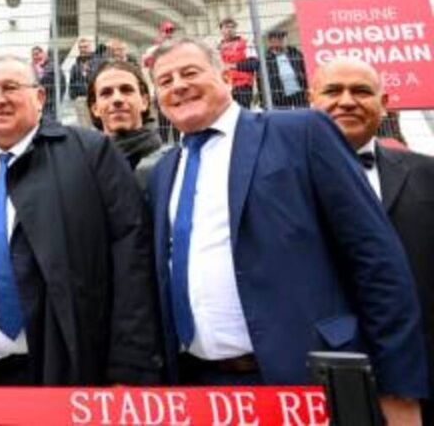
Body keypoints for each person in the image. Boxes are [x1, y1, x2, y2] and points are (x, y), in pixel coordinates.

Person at [146, 39, 426, 423]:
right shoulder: (163, 172)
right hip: (202, 386)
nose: (177, 85)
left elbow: (376, 257)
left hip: (306, 379)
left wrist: (398, 386)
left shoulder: (302, 132)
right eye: (165, 81)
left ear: (227, 77)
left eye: (190, 72)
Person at [0, 55, 160, 386]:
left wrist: (130, 365)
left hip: (56, 374)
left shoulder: (90, 153)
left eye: (10, 88)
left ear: (40, 97)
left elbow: (131, 255)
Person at [309, 58, 434, 424]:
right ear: (311, 100)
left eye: (361, 91)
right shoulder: (281, 183)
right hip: (323, 377)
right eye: (332, 91)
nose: (347, 101)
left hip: (422, 370)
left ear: (385, 101)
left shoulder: (427, 173)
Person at [87, 59, 168, 189]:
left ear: (144, 101)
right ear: (95, 108)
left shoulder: (170, 167)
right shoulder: (83, 169)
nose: (117, 99)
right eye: (106, 93)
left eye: (126, 90)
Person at [216, 17, 258, 109]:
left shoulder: (246, 43)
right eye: (226, 27)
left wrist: (233, 66)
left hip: (243, 86)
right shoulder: (217, 49)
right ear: (221, 30)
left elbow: (254, 64)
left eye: (232, 27)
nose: (230, 30)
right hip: (225, 86)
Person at [262, 28, 308, 109]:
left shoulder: (295, 53)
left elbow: (305, 70)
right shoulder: (266, 59)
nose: (281, 41)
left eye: (282, 38)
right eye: (277, 38)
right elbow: (261, 81)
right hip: (280, 97)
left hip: (299, 94)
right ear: (270, 42)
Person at [67, 37, 100, 124]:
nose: (83, 49)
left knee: (98, 123)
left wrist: (88, 71)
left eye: (85, 47)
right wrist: (74, 97)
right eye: (81, 47)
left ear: (90, 47)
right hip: (80, 99)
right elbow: (71, 82)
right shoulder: (75, 66)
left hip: (95, 98)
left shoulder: (98, 62)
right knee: (84, 125)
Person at [29, 45, 58, 120]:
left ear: (44, 54)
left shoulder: (52, 66)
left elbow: (45, 82)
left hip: (50, 103)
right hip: (36, 103)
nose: (36, 57)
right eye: (34, 55)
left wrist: (38, 70)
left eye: (38, 54)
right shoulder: (30, 68)